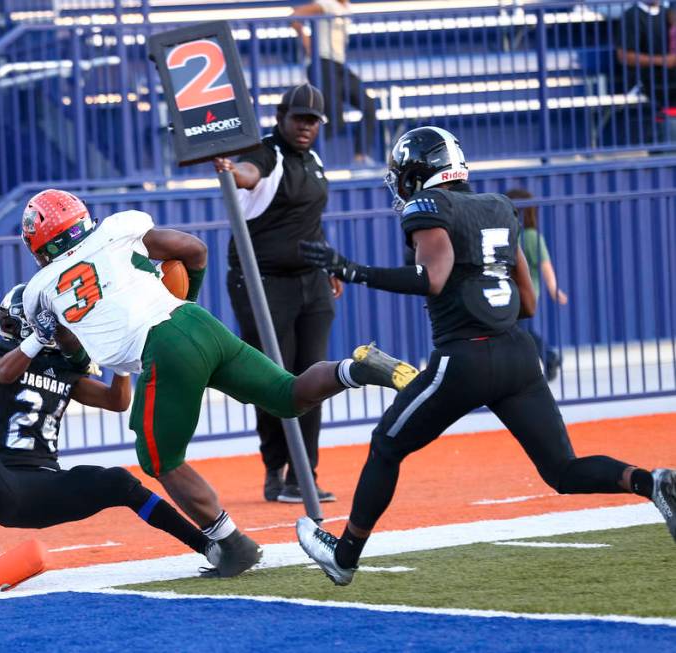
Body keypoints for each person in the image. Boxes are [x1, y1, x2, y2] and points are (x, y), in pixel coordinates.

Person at [297, 126, 676, 585]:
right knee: (562, 469)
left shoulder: (429, 207)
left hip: (464, 359)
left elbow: (432, 278)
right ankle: (650, 482)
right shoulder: (500, 207)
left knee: (386, 445)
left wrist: (351, 270)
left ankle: (346, 554)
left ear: (418, 173)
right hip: (518, 356)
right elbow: (529, 303)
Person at [18, 188, 419, 578]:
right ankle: (357, 368)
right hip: (196, 322)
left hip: (161, 347)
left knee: (159, 459)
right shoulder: (117, 230)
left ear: (38, 242)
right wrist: (184, 297)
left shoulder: (40, 289)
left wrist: (73, 356)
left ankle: (232, 544)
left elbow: (72, 347)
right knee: (288, 395)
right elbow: (194, 250)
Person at [0, 283, 220, 593]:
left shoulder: (61, 366)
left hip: (47, 483)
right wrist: (37, 340)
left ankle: (209, 547)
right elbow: (3, 374)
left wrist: (121, 365)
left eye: (12, 322)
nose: (5, 328)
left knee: (118, 480)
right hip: (5, 487)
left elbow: (116, 402)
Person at [214, 83, 342, 504]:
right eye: (299, 118)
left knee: (315, 377)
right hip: (263, 283)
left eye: (313, 120)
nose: (306, 127)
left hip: (311, 282)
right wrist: (234, 172)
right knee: (275, 378)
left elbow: (310, 220)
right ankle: (274, 468)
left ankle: (302, 476)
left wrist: (329, 265)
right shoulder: (267, 153)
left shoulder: (314, 160)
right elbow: (251, 174)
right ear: (281, 117)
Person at [290, 0, 376, 164]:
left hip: (338, 65)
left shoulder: (347, 7)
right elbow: (295, 15)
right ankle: (295, 152)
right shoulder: (327, 4)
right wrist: (306, 40)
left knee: (369, 105)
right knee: (336, 120)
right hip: (321, 63)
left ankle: (360, 158)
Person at [504, 188, 568, 382]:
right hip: (514, 292)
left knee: (520, 332)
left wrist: (554, 289)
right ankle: (549, 356)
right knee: (521, 331)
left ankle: (546, 358)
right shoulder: (512, 234)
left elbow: (545, 264)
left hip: (525, 294)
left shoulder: (530, 236)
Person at [615, 0, 676, 143]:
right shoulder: (631, 15)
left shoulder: (668, 13)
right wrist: (661, 60)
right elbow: (624, 56)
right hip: (646, 80)